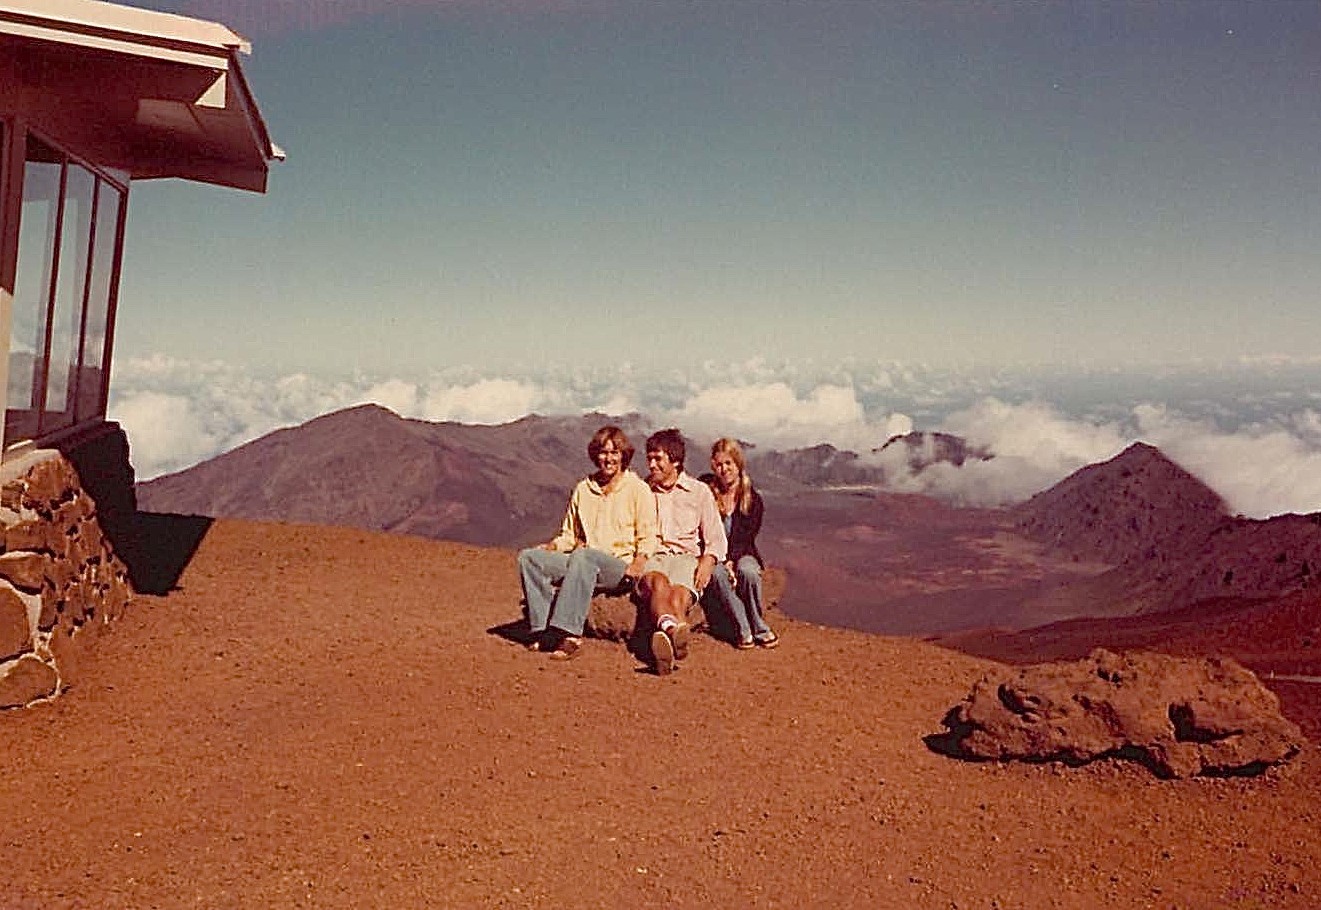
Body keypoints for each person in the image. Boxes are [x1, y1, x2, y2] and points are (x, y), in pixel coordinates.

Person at [517, 425, 658, 660]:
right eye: (603, 452)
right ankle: (543, 630)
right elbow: (569, 535)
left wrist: (640, 561)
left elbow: (648, 534)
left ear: (624, 455)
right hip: (582, 561)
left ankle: (569, 633)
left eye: (614, 452)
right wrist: (552, 547)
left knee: (585, 555)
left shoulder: (638, 489)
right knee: (529, 558)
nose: (608, 458)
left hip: (618, 567)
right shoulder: (584, 489)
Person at [636, 428, 728, 675]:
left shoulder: (699, 492)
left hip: (687, 559)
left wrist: (708, 562)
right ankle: (673, 634)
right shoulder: (643, 490)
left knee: (677, 595)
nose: (651, 465)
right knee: (658, 583)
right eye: (650, 459)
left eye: (658, 459)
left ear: (675, 461)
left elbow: (715, 537)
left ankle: (669, 643)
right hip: (654, 556)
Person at [702, 438, 779, 649]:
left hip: (742, 552)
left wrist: (732, 561)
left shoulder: (752, 499)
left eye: (728, 463)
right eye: (719, 464)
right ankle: (743, 628)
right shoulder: (705, 490)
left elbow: (746, 538)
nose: (724, 469)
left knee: (749, 572)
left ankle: (758, 625)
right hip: (713, 553)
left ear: (738, 464)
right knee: (716, 574)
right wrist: (722, 560)